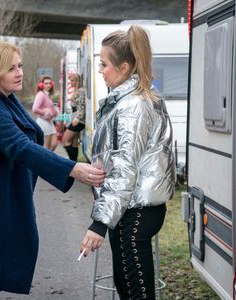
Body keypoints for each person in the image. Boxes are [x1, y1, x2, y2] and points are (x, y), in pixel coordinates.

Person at [0, 42, 106, 299]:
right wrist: (73, 168)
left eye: (19, 66)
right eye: (11, 68)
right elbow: (20, 146)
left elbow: (28, 138)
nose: (19, 72)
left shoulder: (2, 99)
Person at [79, 26, 176, 300]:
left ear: (123, 67)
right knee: (128, 290)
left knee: (135, 294)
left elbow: (124, 169)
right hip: (130, 209)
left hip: (136, 212)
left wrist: (99, 222)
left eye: (103, 64)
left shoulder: (133, 106)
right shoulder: (128, 100)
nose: (100, 70)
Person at [62, 73, 86, 161]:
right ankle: (74, 164)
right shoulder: (77, 91)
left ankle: (72, 164)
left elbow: (82, 106)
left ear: (77, 81)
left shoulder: (81, 91)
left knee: (65, 140)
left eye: (72, 80)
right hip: (76, 119)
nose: (70, 82)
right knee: (74, 142)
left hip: (79, 121)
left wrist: (78, 118)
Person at [32, 76, 59, 151]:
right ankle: (45, 161)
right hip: (43, 122)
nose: (48, 85)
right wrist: (45, 112)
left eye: (50, 83)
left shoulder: (47, 94)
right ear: (41, 85)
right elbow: (35, 108)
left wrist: (55, 111)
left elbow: (50, 108)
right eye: (46, 83)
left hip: (50, 123)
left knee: (54, 144)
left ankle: (47, 160)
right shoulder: (40, 94)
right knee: (46, 148)